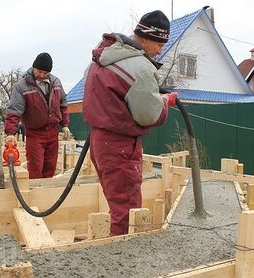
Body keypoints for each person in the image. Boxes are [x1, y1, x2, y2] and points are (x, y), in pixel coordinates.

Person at [83, 10, 178, 236]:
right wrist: (165, 102)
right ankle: (123, 264)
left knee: (117, 204)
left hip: (100, 141)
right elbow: (149, 115)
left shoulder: (106, 55)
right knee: (127, 211)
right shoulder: (141, 67)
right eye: (159, 44)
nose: (160, 50)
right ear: (144, 39)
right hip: (120, 145)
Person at [4, 52, 70, 179]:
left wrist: (65, 124)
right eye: (39, 71)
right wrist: (10, 133)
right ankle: (34, 196)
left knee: (50, 166)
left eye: (45, 73)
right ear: (33, 67)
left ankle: (46, 196)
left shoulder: (56, 83)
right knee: (35, 167)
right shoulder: (22, 86)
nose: (41, 75)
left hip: (52, 131)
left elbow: (63, 103)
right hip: (35, 132)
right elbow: (14, 111)